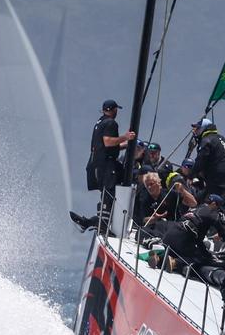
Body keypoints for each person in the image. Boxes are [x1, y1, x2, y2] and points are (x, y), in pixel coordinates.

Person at [71, 99, 136, 233]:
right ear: (114, 110)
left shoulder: (100, 122)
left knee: (112, 188)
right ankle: (102, 225)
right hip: (106, 165)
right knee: (109, 193)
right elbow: (107, 142)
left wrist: (126, 145)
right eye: (116, 109)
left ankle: (94, 222)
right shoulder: (111, 123)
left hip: (98, 165)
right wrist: (125, 137)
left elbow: (105, 146)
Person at [133, 171, 196, 236]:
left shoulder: (170, 194)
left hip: (173, 227)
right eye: (147, 185)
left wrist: (183, 191)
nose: (149, 187)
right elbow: (145, 220)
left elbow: (193, 203)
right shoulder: (145, 199)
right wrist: (156, 218)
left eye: (151, 184)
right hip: (156, 229)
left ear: (158, 183)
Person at [191, 118, 225, 195]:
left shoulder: (206, 140)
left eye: (198, 128)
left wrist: (191, 175)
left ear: (204, 128)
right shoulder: (221, 138)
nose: (195, 131)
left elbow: (200, 160)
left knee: (213, 200)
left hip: (217, 178)